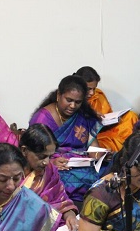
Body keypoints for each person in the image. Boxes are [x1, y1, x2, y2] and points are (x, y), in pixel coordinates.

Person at [29, 75, 107, 204]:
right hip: (56, 165)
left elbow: (93, 146)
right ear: (59, 95)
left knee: (112, 167)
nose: (72, 106)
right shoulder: (42, 118)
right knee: (65, 178)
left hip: (82, 162)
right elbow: (33, 155)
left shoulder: (82, 115)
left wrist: (101, 155)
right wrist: (52, 162)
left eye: (78, 102)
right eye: (69, 100)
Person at [75, 66, 139, 152]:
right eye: (89, 89)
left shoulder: (98, 94)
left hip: (106, 128)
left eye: (94, 88)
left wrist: (113, 120)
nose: (92, 93)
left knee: (131, 116)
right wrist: (93, 117)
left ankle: (133, 147)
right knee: (101, 145)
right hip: (93, 136)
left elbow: (108, 114)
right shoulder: (74, 99)